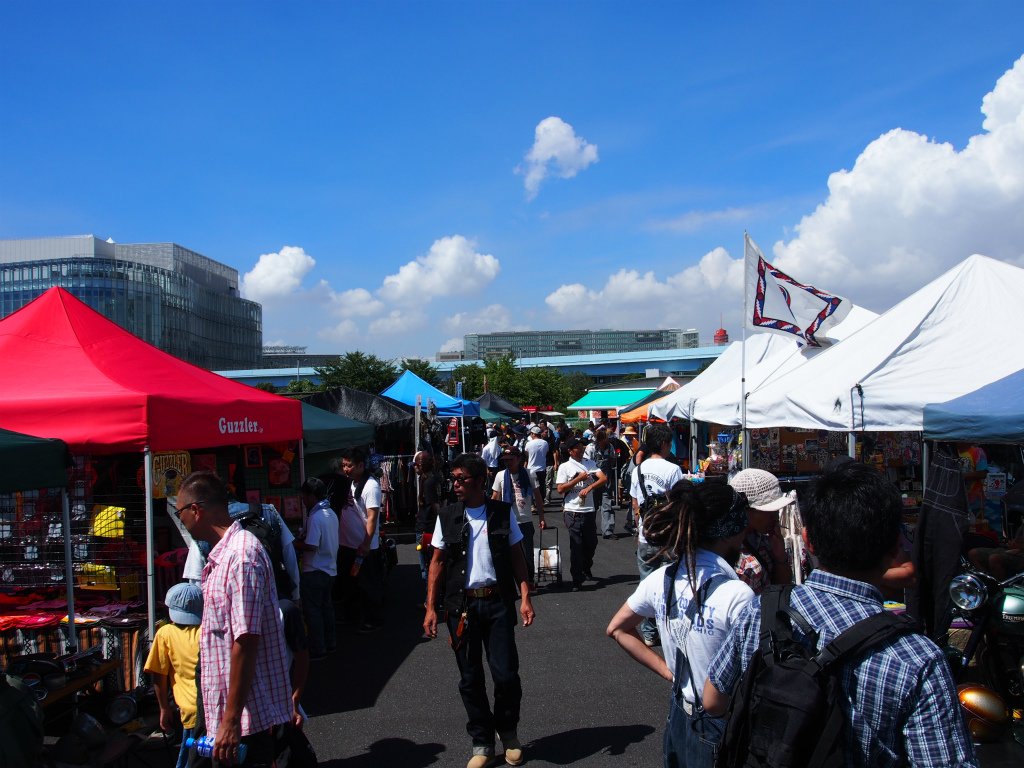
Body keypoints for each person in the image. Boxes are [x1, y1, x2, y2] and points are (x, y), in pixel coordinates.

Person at [702, 460, 979, 768]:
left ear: (808, 541)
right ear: (895, 546)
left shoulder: (761, 611)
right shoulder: (918, 659)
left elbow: (714, 701)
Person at [607, 482, 754, 768]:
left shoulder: (662, 578)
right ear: (729, 529)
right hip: (719, 725)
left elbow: (617, 628)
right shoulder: (737, 594)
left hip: (679, 715)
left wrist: (668, 670)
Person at [423, 453, 535, 768]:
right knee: (470, 678)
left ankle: (508, 733)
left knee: (506, 675)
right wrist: (431, 607)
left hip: (498, 603)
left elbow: (516, 556)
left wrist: (525, 596)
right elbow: (437, 563)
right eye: (454, 479)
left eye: (462, 479)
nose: (456, 484)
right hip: (462, 608)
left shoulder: (501, 513)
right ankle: (482, 742)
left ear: (480, 481)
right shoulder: (447, 516)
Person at [175, 471, 291, 768]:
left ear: (196, 510)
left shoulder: (242, 556)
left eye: (180, 513)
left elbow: (247, 641)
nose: (181, 521)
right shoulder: (221, 555)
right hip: (229, 715)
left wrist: (230, 722)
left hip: (246, 720)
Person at [632, 423, 685, 645]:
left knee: (647, 585)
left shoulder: (639, 469)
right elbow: (680, 502)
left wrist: (639, 527)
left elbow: (635, 502)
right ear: (664, 444)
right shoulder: (673, 470)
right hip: (670, 536)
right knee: (670, 585)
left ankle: (649, 632)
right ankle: (668, 631)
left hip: (646, 534)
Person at [145, 582, 203, 768]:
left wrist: (164, 708)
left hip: (191, 713)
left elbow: (159, 676)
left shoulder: (165, 633)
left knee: (191, 760)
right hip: (215, 710)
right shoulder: (208, 632)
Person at [339, 446, 384, 634]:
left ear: (360, 465)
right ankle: (354, 616)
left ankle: (373, 620)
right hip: (349, 544)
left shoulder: (371, 486)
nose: (345, 469)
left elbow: (372, 517)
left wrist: (366, 544)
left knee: (368, 585)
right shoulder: (352, 482)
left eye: (349, 466)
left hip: (365, 547)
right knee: (351, 584)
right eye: (343, 465)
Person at [293, 477, 339, 661]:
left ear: (311, 496)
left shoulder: (315, 517)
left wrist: (294, 544)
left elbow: (311, 545)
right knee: (326, 608)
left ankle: (318, 649)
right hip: (330, 569)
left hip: (315, 569)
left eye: (304, 495)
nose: (302, 499)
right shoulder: (330, 513)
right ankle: (330, 643)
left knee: (313, 612)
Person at [727, 469, 793, 595]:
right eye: (769, 511)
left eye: (777, 510)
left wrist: (780, 557)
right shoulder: (729, 550)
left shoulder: (762, 539)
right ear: (746, 510)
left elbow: (782, 587)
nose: (776, 517)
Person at [492, 445, 547, 593]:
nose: (508, 463)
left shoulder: (530, 474)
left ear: (519, 459)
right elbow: (495, 498)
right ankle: (510, 584)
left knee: (526, 554)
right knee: (506, 555)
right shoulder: (500, 476)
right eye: (505, 460)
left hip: (525, 520)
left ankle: (529, 581)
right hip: (506, 521)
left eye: (511, 459)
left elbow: (538, 496)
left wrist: (541, 517)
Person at [556, 436, 608, 591]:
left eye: (582, 446)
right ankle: (576, 578)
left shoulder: (589, 463)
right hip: (573, 510)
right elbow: (560, 489)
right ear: (571, 451)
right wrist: (577, 479)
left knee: (591, 543)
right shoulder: (565, 467)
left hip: (589, 509)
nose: (582, 449)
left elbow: (603, 478)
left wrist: (590, 487)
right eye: (578, 447)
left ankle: (586, 566)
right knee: (576, 544)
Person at [585, 429, 617, 539]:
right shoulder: (591, 448)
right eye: (609, 437)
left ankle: (608, 530)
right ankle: (590, 529)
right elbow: (587, 464)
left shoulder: (610, 447)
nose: (611, 439)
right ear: (603, 438)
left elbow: (612, 461)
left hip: (606, 480)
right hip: (593, 480)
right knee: (592, 505)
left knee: (607, 504)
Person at [414, 451, 441, 582]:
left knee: (426, 567)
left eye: (416, 465)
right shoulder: (435, 477)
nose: (414, 467)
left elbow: (435, 506)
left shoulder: (428, 482)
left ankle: (429, 600)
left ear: (421, 466)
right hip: (430, 525)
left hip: (426, 527)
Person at [523, 426, 548, 501]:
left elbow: (526, 453)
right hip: (542, 469)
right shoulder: (545, 443)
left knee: (531, 487)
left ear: (533, 434)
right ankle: (540, 504)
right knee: (540, 488)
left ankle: (532, 504)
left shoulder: (529, 444)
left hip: (531, 469)